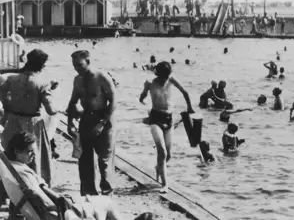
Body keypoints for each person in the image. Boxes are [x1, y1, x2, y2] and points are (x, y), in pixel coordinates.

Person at [4, 131, 137, 220]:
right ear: (17, 151)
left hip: (49, 211)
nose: (33, 156)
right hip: (58, 213)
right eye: (29, 152)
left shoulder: (11, 168)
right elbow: (42, 200)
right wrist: (66, 206)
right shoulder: (22, 172)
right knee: (107, 204)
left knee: (103, 202)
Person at [0, 49, 61, 186]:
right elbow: (51, 110)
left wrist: (8, 106)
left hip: (13, 121)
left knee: (12, 156)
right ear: (41, 65)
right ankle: (37, 187)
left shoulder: (12, 79)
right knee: (35, 157)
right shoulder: (42, 83)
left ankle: (10, 188)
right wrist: (59, 107)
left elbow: (2, 92)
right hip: (32, 124)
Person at [67, 50, 117, 196]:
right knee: (84, 159)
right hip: (87, 119)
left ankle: (107, 193)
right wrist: (70, 123)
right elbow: (72, 102)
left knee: (104, 159)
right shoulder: (77, 80)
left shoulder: (101, 77)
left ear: (88, 62)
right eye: (75, 66)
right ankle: (88, 194)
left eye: (80, 65)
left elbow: (114, 101)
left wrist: (102, 123)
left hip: (104, 118)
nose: (77, 68)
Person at [139, 61, 194, 193]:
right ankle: (164, 184)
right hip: (155, 119)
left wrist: (190, 107)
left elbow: (185, 92)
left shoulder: (171, 79)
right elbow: (142, 97)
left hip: (169, 119)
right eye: (163, 77)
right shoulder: (150, 83)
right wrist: (144, 100)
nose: (165, 80)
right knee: (162, 151)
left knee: (169, 156)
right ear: (157, 74)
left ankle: (158, 168)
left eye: (167, 77)